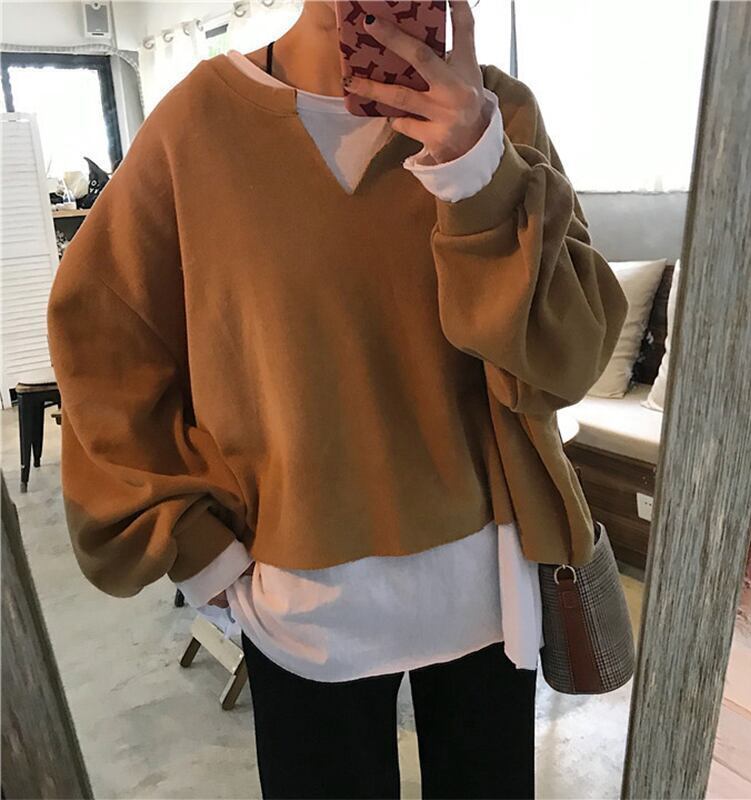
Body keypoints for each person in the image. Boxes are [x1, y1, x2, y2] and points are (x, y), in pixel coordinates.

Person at [47, 2, 628, 798]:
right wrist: (199, 551)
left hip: (490, 594)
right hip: (299, 605)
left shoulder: (498, 112)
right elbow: (102, 339)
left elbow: (569, 358)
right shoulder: (199, 125)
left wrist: (476, 166)